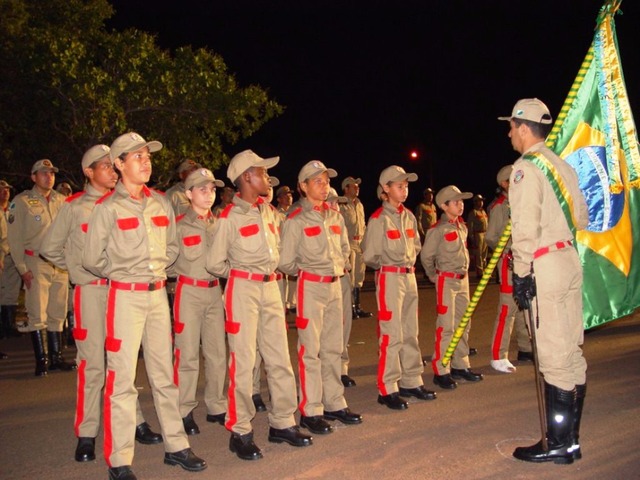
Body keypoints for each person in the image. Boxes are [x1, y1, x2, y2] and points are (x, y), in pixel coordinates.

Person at [82, 132, 207, 479]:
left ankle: (176, 446)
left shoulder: (160, 203)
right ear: (119, 164)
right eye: (137, 157)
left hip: (156, 296)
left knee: (164, 375)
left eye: (147, 156)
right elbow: (92, 259)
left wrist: (151, 274)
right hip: (125, 297)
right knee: (121, 379)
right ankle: (119, 461)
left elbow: (171, 249)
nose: (146, 161)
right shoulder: (106, 209)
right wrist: (124, 274)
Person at [40, 144, 163, 464]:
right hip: (94, 294)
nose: (111, 171)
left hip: (126, 292)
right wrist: (78, 271)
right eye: (104, 166)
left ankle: (134, 422)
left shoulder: (126, 202)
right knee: (93, 365)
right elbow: (50, 248)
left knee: (123, 366)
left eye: (114, 165)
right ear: (88, 172)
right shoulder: (75, 207)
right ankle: (87, 432)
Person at [206, 149, 312, 461]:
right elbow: (214, 263)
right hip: (244, 289)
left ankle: (282, 422)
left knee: (279, 357)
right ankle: (240, 431)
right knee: (244, 360)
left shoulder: (268, 212)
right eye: (262, 172)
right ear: (247, 177)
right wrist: (241, 275)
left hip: (271, 287)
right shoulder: (229, 217)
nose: (267, 177)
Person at [499, 98, 589, 464]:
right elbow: (581, 217)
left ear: (523, 127)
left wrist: (521, 275)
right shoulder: (560, 164)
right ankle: (570, 440)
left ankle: (556, 442)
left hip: (544, 264)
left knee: (552, 358)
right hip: (568, 257)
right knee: (571, 353)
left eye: (511, 126)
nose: (508, 133)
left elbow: (524, 229)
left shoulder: (525, 169)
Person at [279, 161, 363, 435]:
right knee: (311, 351)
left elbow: (342, 250)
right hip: (311, 287)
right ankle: (311, 410)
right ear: (303, 187)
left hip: (335, 286)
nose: (325, 185)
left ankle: (334, 403)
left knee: (333, 348)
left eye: (326, 181)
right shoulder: (296, 220)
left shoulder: (335, 217)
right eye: (318, 181)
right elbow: (287, 262)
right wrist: (310, 270)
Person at [362, 165, 436, 410]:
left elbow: (415, 246)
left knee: (410, 331)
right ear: (386, 189)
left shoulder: (409, 216)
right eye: (399, 186)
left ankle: (412, 380)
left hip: (409, 276)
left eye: (406, 186)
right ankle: (387, 388)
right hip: (390, 278)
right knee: (391, 333)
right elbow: (371, 255)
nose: (404, 190)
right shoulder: (378, 220)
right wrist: (390, 266)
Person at [168, 167, 227, 437]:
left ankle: (216, 405)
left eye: (213, 189)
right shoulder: (178, 226)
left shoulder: (220, 223)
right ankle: (184, 409)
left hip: (215, 292)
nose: (209, 194)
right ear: (188, 193)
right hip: (189, 293)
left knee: (217, 353)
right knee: (187, 354)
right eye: (202, 189)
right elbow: (167, 263)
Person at [7, 159, 75, 376]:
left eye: (52, 173)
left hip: (60, 264)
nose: (49, 177)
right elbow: (15, 239)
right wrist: (22, 268)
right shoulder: (23, 201)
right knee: (38, 313)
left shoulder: (62, 201)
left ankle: (56, 357)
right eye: (43, 173)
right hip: (36, 262)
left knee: (58, 311)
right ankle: (42, 359)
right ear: (34, 177)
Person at [421, 185, 483, 390]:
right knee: (446, 326)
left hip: (462, 280)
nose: (461, 205)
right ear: (443, 206)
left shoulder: (462, 227)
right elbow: (426, 257)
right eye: (456, 202)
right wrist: (433, 275)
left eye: (462, 201)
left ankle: (461, 364)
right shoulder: (438, 230)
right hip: (446, 281)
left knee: (463, 324)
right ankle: (441, 369)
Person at [486, 164, 532, 374]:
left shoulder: (522, 203)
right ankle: (499, 355)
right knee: (507, 311)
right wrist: (507, 249)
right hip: (509, 263)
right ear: (505, 184)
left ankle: (526, 348)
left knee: (525, 307)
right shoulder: (500, 207)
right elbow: (491, 238)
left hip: (525, 262)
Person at [327, 188, 356, 388]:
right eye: (332, 202)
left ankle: (341, 367)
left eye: (337, 202)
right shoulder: (307, 219)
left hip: (342, 277)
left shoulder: (338, 221)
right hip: (320, 282)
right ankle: (326, 369)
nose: (335, 206)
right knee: (324, 330)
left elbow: (345, 248)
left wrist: (342, 265)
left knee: (344, 323)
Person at [339, 176, 372, 319]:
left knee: (359, 276)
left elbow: (363, 225)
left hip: (359, 244)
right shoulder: (341, 205)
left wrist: (365, 244)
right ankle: (349, 308)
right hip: (349, 243)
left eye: (357, 186)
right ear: (346, 188)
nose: (357, 188)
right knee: (350, 278)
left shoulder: (359, 204)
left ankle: (357, 307)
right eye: (354, 186)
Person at [0, 180, 21, 341]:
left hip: (14, 255)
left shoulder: (14, 208)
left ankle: (9, 325)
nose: (5, 192)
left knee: (11, 291)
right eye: (2, 189)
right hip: (1, 254)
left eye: (7, 189)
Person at [275, 185, 297, 312]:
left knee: (294, 277)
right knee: (283, 278)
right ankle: (283, 304)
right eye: (285, 195)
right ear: (279, 199)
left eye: (290, 194)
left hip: (294, 248)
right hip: (282, 248)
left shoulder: (295, 212)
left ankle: (292, 302)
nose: (289, 197)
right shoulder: (277, 214)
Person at [467, 194, 488, 277]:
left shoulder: (483, 212)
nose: (481, 202)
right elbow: (470, 226)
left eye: (482, 200)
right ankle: (480, 272)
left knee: (484, 254)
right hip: (478, 234)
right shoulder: (473, 212)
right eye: (480, 200)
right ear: (475, 202)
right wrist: (472, 238)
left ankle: (484, 270)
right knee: (478, 254)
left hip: (485, 233)